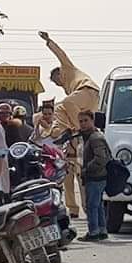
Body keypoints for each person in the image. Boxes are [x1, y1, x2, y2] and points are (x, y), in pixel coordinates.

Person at [41, 32, 100, 218]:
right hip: (73, 148)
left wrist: (49, 42)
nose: (59, 83)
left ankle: (77, 130)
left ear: (60, 73)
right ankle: (73, 209)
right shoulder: (63, 101)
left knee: (65, 103)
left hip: (87, 91)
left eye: (58, 80)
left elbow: (61, 54)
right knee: (62, 106)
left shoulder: (68, 69)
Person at [78, 110, 111, 241]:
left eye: (86, 120)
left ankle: (93, 232)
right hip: (97, 176)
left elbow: (101, 159)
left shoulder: (95, 137)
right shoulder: (90, 136)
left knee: (92, 205)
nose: (83, 124)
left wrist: (87, 169)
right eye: (81, 121)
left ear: (92, 120)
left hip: (96, 176)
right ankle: (102, 230)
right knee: (98, 205)